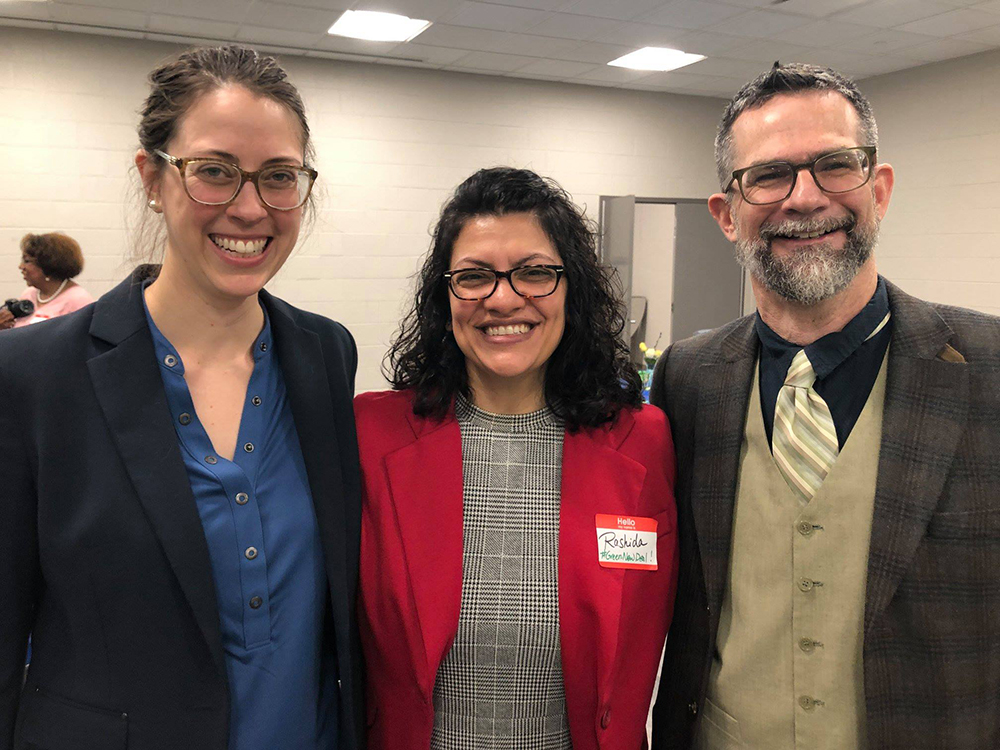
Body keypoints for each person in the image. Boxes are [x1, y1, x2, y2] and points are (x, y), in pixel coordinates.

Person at [0, 45, 363, 750]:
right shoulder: (33, 375)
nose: (249, 207)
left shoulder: (325, 354)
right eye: (215, 172)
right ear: (152, 177)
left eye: (279, 177)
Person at [650, 63, 1000, 750]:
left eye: (835, 166)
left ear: (881, 188)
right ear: (725, 214)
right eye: (769, 176)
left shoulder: (989, 369)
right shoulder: (689, 380)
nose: (805, 199)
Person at [355, 167, 678, 750]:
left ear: (571, 288)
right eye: (474, 276)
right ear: (443, 295)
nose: (503, 299)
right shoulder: (373, 437)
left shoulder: (641, 441)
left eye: (535, 273)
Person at [0, 233, 94, 330]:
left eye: (27, 261)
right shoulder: (30, 294)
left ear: (48, 265)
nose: (21, 267)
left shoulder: (78, 300)